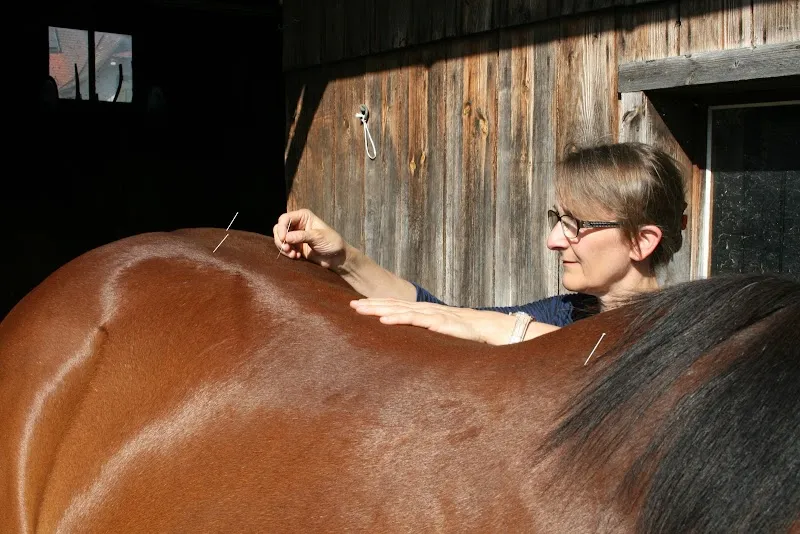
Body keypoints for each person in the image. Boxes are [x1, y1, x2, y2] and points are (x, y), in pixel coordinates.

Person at [273, 142, 687, 345]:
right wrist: (345, 258)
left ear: (641, 241)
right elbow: (446, 317)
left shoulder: (683, 337)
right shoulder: (570, 312)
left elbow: (622, 365)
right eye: (558, 219)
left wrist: (511, 330)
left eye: (576, 224)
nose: (553, 240)